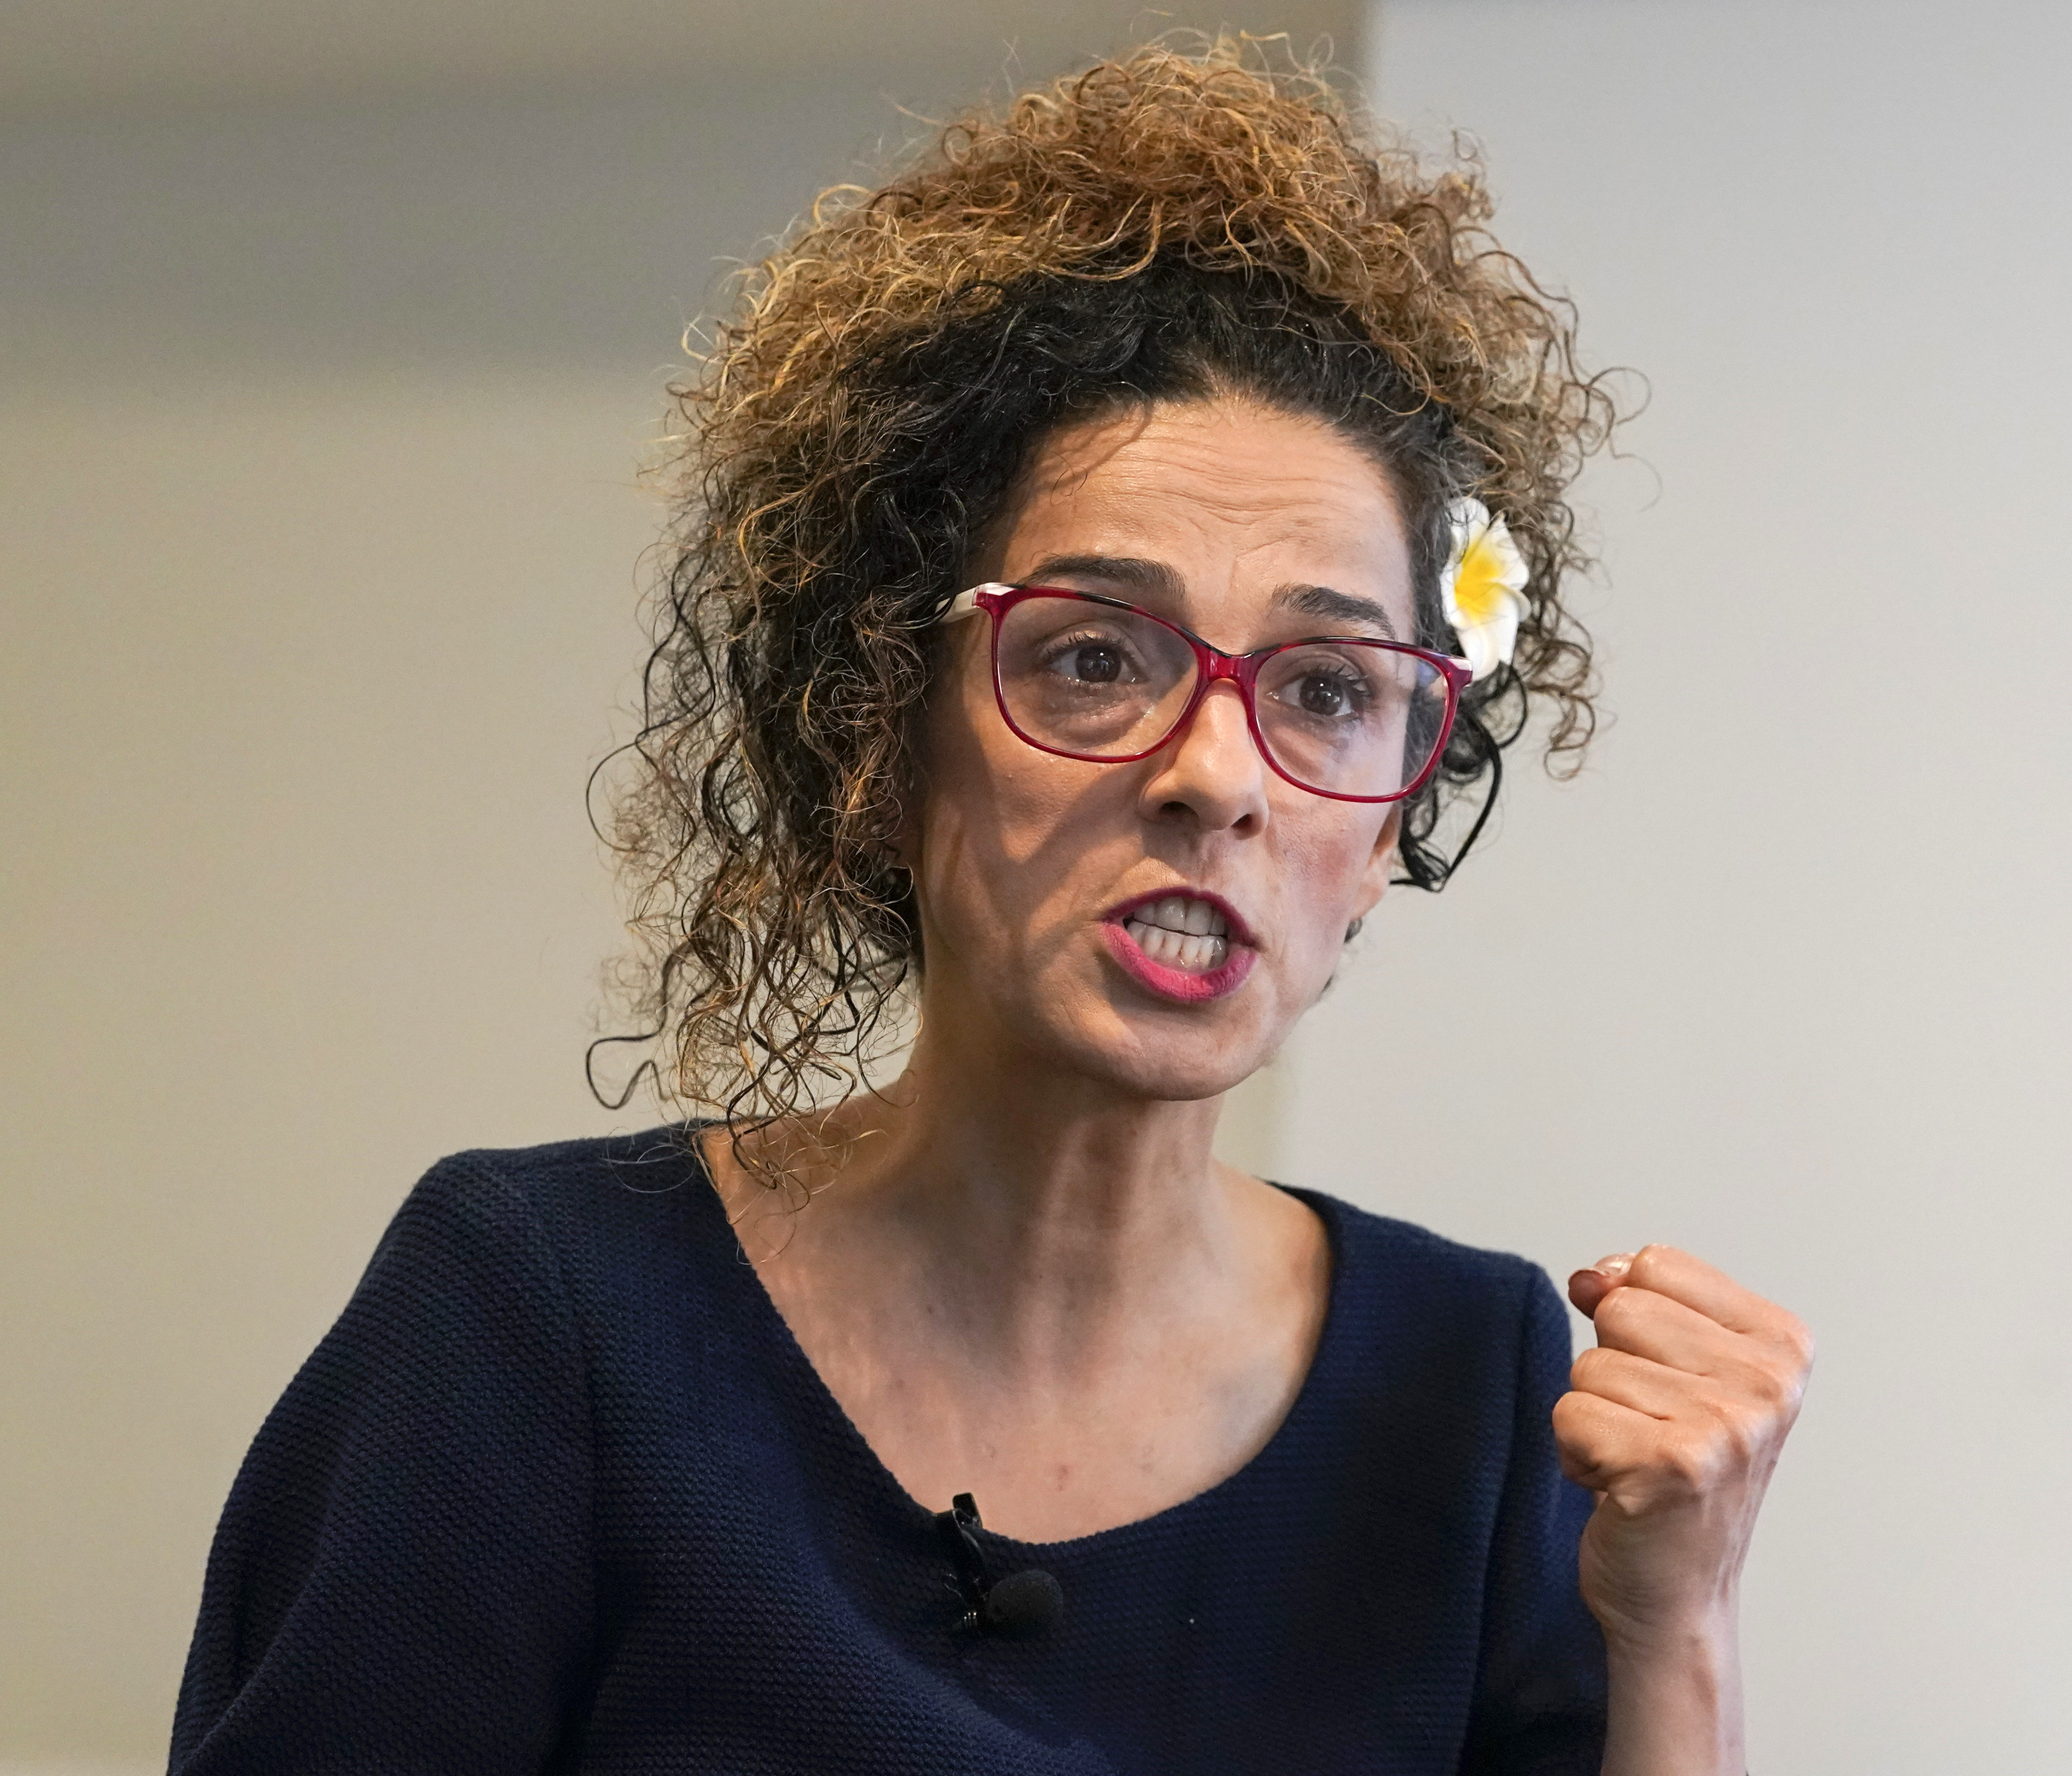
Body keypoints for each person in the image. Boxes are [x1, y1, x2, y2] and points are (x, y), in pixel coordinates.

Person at [171, 40, 1812, 1776]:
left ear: (1401, 807)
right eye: (1095, 656)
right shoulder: (538, 1319)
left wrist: (1681, 1625)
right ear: (880, 729)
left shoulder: (1479, 1388)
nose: (1220, 775)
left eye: (1330, 690)